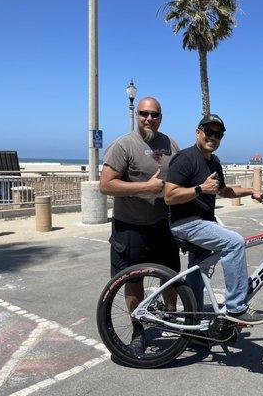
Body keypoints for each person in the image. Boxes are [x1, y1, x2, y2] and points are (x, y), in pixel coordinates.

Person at [164, 114, 263, 325]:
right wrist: (200, 189)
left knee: (197, 274)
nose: (213, 137)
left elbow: (223, 191)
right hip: (186, 223)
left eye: (218, 134)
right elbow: (169, 196)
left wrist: (252, 191)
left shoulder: (214, 163)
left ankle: (192, 324)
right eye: (209, 132)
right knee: (234, 242)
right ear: (198, 133)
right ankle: (236, 308)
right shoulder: (185, 158)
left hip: (205, 223)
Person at [99, 96, 180, 351]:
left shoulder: (171, 144)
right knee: (134, 282)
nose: (149, 119)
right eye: (144, 114)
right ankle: (138, 330)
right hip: (131, 227)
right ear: (137, 116)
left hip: (163, 225)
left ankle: (171, 319)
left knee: (171, 279)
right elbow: (106, 185)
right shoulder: (123, 145)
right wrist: (146, 187)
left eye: (154, 114)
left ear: (161, 117)